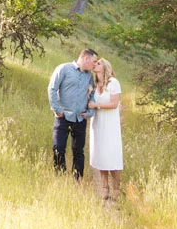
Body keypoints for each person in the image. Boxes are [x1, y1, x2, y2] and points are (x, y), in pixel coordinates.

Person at [47, 48, 98, 179]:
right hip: (63, 117)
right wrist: (57, 110)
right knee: (58, 148)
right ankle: (60, 178)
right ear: (86, 59)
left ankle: (77, 180)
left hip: (80, 118)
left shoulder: (89, 76)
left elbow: (92, 93)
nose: (94, 65)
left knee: (78, 152)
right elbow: (52, 88)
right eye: (94, 61)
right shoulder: (63, 69)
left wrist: (90, 112)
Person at [87, 57, 123, 202]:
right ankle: (104, 188)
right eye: (94, 63)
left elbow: (114, 104)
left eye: (98, 63)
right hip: (98, 122)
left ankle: (116, 189)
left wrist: (98, 106)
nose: (95, 65)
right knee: (100, 154)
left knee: (111, 155)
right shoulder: (95, 85)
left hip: (110, 124)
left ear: (105, 67)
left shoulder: (113, 83)